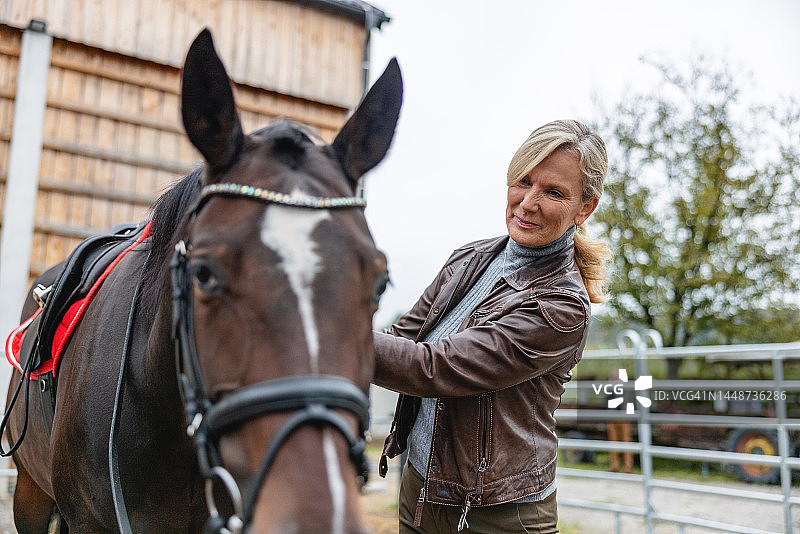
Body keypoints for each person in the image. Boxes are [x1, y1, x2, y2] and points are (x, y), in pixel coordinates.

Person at [374, 119, 612, 533]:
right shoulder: (469, 259)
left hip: (499, 513)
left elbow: (434, 368)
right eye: (523, 181)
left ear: (585, 208)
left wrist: (323, 336)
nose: (528, 203)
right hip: (421, 486)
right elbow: (402, 339)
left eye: (553, 192)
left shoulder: (560, 305)